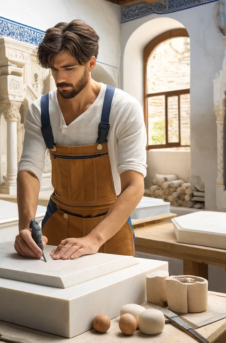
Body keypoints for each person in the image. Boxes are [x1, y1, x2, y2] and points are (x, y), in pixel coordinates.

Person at [14, 20, 147, 261]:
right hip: (58, 221)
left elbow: (134, 185)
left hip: (110, 228)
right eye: (54, 69)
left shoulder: (124, 108)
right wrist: (26, 226)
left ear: (91, 64)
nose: (59, 78)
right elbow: (29, 170)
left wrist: (94, 239)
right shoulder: (40, 111)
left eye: (69, 68)